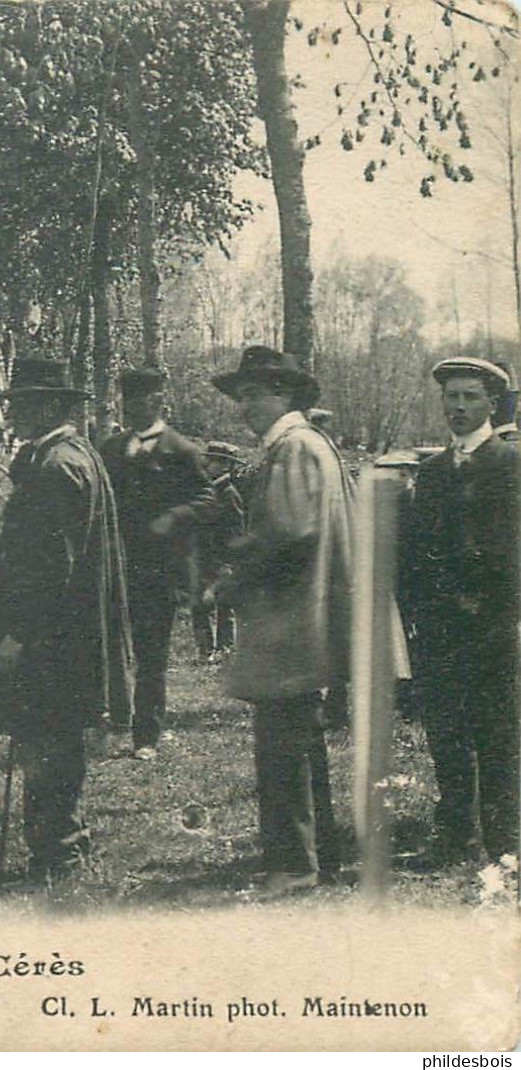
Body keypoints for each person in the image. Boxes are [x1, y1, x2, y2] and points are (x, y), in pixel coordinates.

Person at [0, 357, 135, 881]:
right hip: (70, 632)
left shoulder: (56, 468)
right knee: (57, 739)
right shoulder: (70, 455)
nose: (13, 416)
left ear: (47, 407)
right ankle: (65, 841)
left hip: (52, 637)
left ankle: (56, 854)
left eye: (21, 405)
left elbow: (48, 569)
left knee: (47, 740)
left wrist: (17, 635)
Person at [207, 345, 353, 898]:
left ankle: (293, 865)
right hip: (307, 613)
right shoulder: (310, 444)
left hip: (291, 618)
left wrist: (232, 576)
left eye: (252, 396)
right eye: (240, 397)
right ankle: (321, 856)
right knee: (301, 741)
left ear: (283, 395)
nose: (242, 408)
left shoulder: (292, 449)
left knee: (282, 745)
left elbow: (288, 533)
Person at [398, 356, 519, 869]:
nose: (460, 408)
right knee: (446, 733)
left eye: (472, 397)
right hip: (440, 627)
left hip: (493, 625)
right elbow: (415, 551)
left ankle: (506, 841)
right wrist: (413, 613)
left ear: (493, 403)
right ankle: (456, 837)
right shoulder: (430, 473)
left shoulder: (511, 465)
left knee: (497, 734)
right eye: (453, 397)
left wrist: (497, 605)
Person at [99, 367, 214, 760]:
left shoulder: (181, 450)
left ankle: (146, 734)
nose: (134, 410)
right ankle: (112, 719)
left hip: (159, 571)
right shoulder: (111, 450)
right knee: (111, 646)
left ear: (160, 402)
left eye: (143, 402)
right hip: (115, 567)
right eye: (128, 403)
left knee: (151, 655)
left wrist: (173, 518)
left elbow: (207, 498)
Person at [192, 441, 247, 661]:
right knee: (201, 604)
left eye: (212, 461)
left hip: (220, 558)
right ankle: (205, 650)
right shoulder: (209, 490)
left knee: (224, 605)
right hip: (204, 556)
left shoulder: (229, 494)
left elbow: (235, 531)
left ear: (224, 465)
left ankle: (225, 649)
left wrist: (229, 562)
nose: (206, 465)